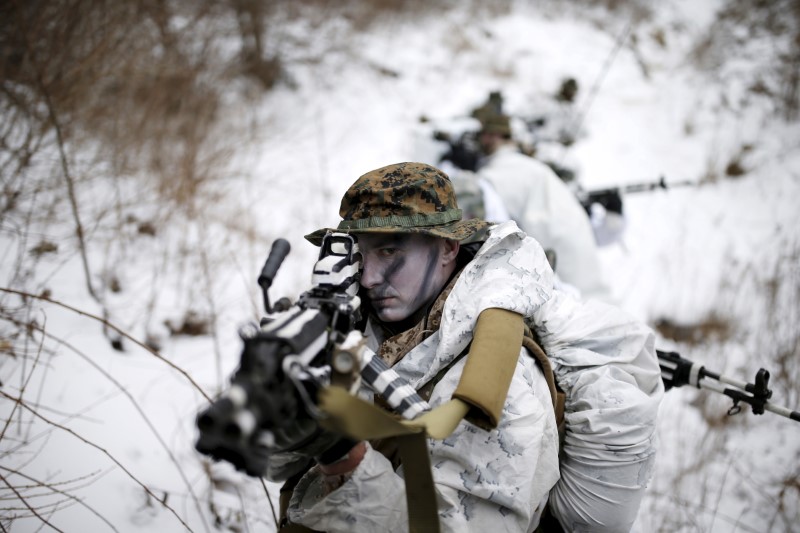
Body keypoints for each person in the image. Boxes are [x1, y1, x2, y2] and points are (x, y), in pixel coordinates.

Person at [273, 162, 663, 532]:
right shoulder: (369, 327)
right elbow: (274, 463)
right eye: (362, 253)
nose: (370, 277)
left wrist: (340, 453)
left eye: (390, 251)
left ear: (448, 249)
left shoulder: (494, 380)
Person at [475, 114, 614, 303]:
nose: (485, 139)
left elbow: (489, 212)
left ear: (501, 137)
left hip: (555, 252)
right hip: (570, 253)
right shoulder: (530, 167)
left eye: (491, 135)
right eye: (484, 134)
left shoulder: (504, 169)